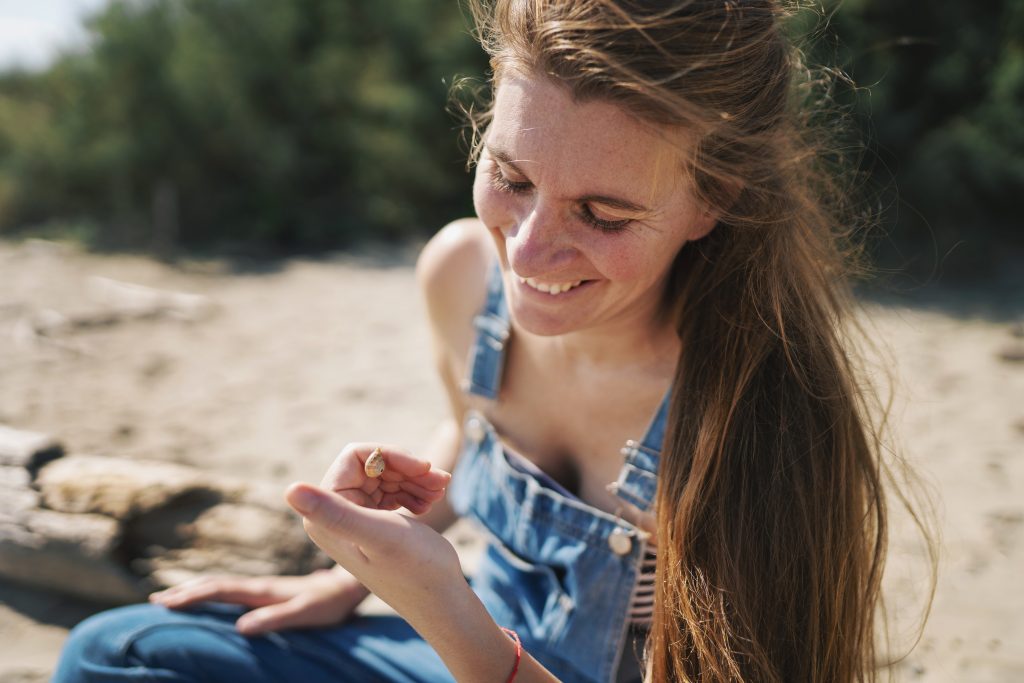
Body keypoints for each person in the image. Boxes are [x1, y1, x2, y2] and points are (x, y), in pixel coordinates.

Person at [52, 0, 909, 681]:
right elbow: (468, 428)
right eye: (511, 176)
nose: (527, 252)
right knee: (114, 653)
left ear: (712, 197)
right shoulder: (462, 276)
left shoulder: (753, 409)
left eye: (602, 214)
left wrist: (451, 616)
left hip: (479, 652)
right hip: (450, 641)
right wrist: (348, 573)